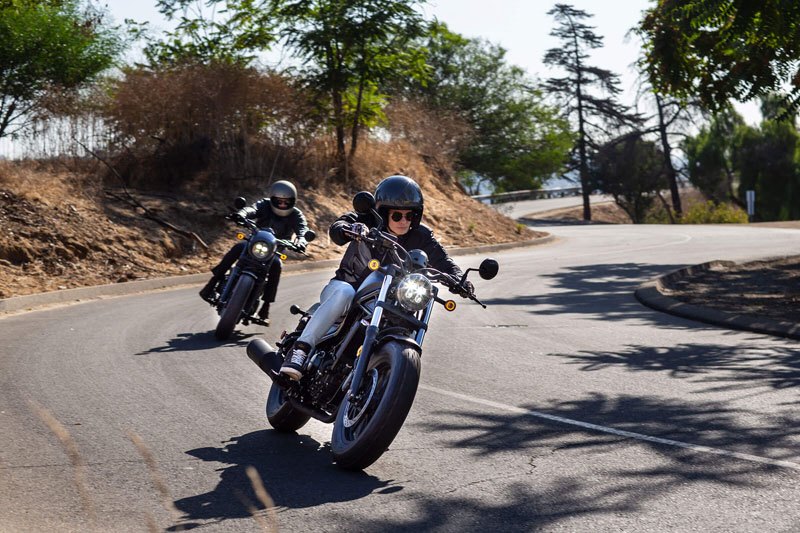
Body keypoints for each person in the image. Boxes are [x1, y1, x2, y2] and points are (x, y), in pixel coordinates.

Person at [279, 174, 473, 380]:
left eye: (409, 215)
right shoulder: (366, 220)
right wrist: (349, 229)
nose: (403, 221)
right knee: (345, 291)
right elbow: (338, 227)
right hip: (347, 289)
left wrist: (459, 279)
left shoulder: (422, 236)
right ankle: (300, 349)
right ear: (383, 212)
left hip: (389, 297)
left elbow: (443, 261)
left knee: (407, 310)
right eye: (397, 215)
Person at [199, 180, 309, 325]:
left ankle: (265, 307)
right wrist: (241, 214)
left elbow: (303, 229)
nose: (282, 204)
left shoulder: (296, 214)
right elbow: (252, 209)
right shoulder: (265, 204)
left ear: (293, 201)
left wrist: (301, 240)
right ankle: (211, 284)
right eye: (279, 201)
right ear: (273, 199)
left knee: (277, 265)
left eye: (286, 202)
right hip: (254, 242)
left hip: (274, 251)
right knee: (238, 248)